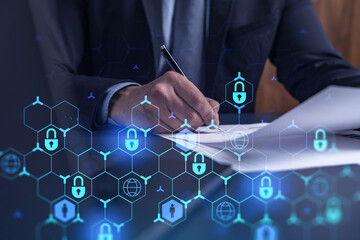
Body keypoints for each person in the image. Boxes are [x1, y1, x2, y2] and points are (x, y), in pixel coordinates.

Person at [30, 0, 360, 131]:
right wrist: (120, 99)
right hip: (104, 169)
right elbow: (38, 80)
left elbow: (318, 69)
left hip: (230, 179)